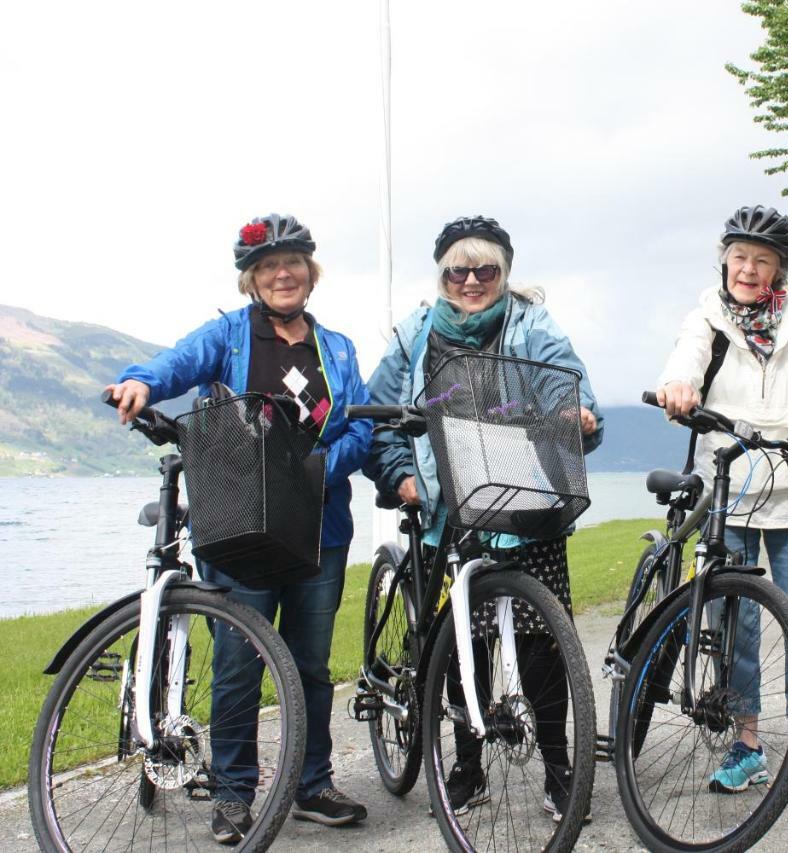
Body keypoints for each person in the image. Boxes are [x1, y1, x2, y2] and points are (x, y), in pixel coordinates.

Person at [107, 213, 373, 843]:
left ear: (311, 273)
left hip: (319, 529)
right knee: (238, 665)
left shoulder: (336, 347)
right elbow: (177, 362)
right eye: (269, 266)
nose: (284, 274)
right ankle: (233, 793)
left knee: (309, 665)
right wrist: (143, 380)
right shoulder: (228, 335)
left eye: (295, 264)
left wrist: (314, 469)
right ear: (252, 278)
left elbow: (360, 425)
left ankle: (311, 784)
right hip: (240, 525)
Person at [362, 215, 602, 821]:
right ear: (442, 275)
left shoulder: (531, 324)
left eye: (485, 269)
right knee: (456, 641)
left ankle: (557, 768)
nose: (471, 281)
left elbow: (564, 381)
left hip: (524, 497)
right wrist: (400, 476)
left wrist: (575, 414)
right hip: (446, 507)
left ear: (504, 274)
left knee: (543, 642)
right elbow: (380, 417)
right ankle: (466, 766)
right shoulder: (414, 333)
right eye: (458, 271)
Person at [655, 205, 788, 794]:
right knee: (734, 626)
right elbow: (685, 361)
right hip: (732, 490)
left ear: (778, 269)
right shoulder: (706, 319)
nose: (748, 268)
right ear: (725, 260)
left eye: (762, 260)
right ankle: (747, 744)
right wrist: (678, 385)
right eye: (740, 257)